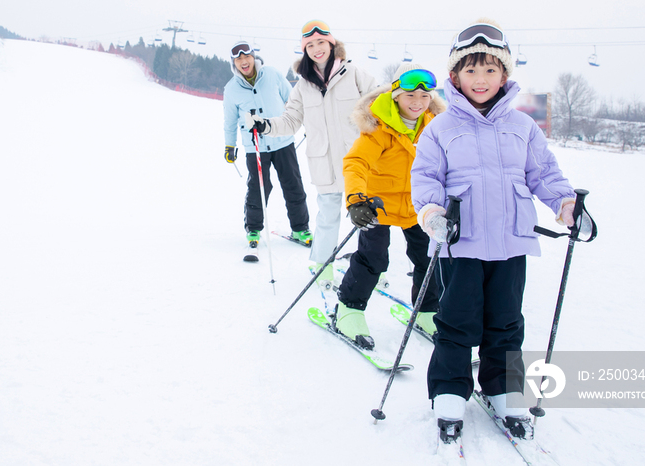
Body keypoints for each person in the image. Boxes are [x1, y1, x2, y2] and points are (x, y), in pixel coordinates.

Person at [410, 19, 578, 444]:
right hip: (460, 244)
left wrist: (565, 203)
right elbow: (425, 178)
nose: (480, 79)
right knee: (456, 321)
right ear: (454, 76)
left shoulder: (522, 126)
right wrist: (431, 212)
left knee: (506, 322)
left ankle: (504, 387)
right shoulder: (440, 128)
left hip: (510, 243)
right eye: (471, 70)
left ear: (504, 75)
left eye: (490, 70)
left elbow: (543, 172)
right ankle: (449, 389)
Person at [246, 20, 377, 283]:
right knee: (328, 216)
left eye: (321, 43)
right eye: (310, 45)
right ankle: (323, 266)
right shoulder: (303, 86)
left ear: (332, 44)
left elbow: (379, 108)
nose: (317, 49)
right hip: (324, 162)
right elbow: (291, 120)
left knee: (368, 218)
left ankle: (372, 267)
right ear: (304, 50)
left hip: (359, 162)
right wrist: (266, 125)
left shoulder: (355, 75)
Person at [334, 64, 447, 349]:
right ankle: (349, 309)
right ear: (396, 94)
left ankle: (427, 311)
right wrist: (356, 200)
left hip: (418, 206)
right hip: (377, 205)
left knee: (428, 258)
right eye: (411, 94)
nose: (418, 102)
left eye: (425, 96)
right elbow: (356, 163)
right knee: (373, 258)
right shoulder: (379, 128)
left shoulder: (436, 126)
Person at [223, 40, 312, 247]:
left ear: (254, 57)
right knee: (259, 187)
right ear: (234, 63)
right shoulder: (231, 89)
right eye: (239, 59)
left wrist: (307, 124)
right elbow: (230, 121)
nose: (244, 62)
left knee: (293, 184)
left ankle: (300, 229)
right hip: (255, 147)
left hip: (282, 141)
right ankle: (253, 230)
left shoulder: (272, 74)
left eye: (247, 57)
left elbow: (293, 103)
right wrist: (230, 145)